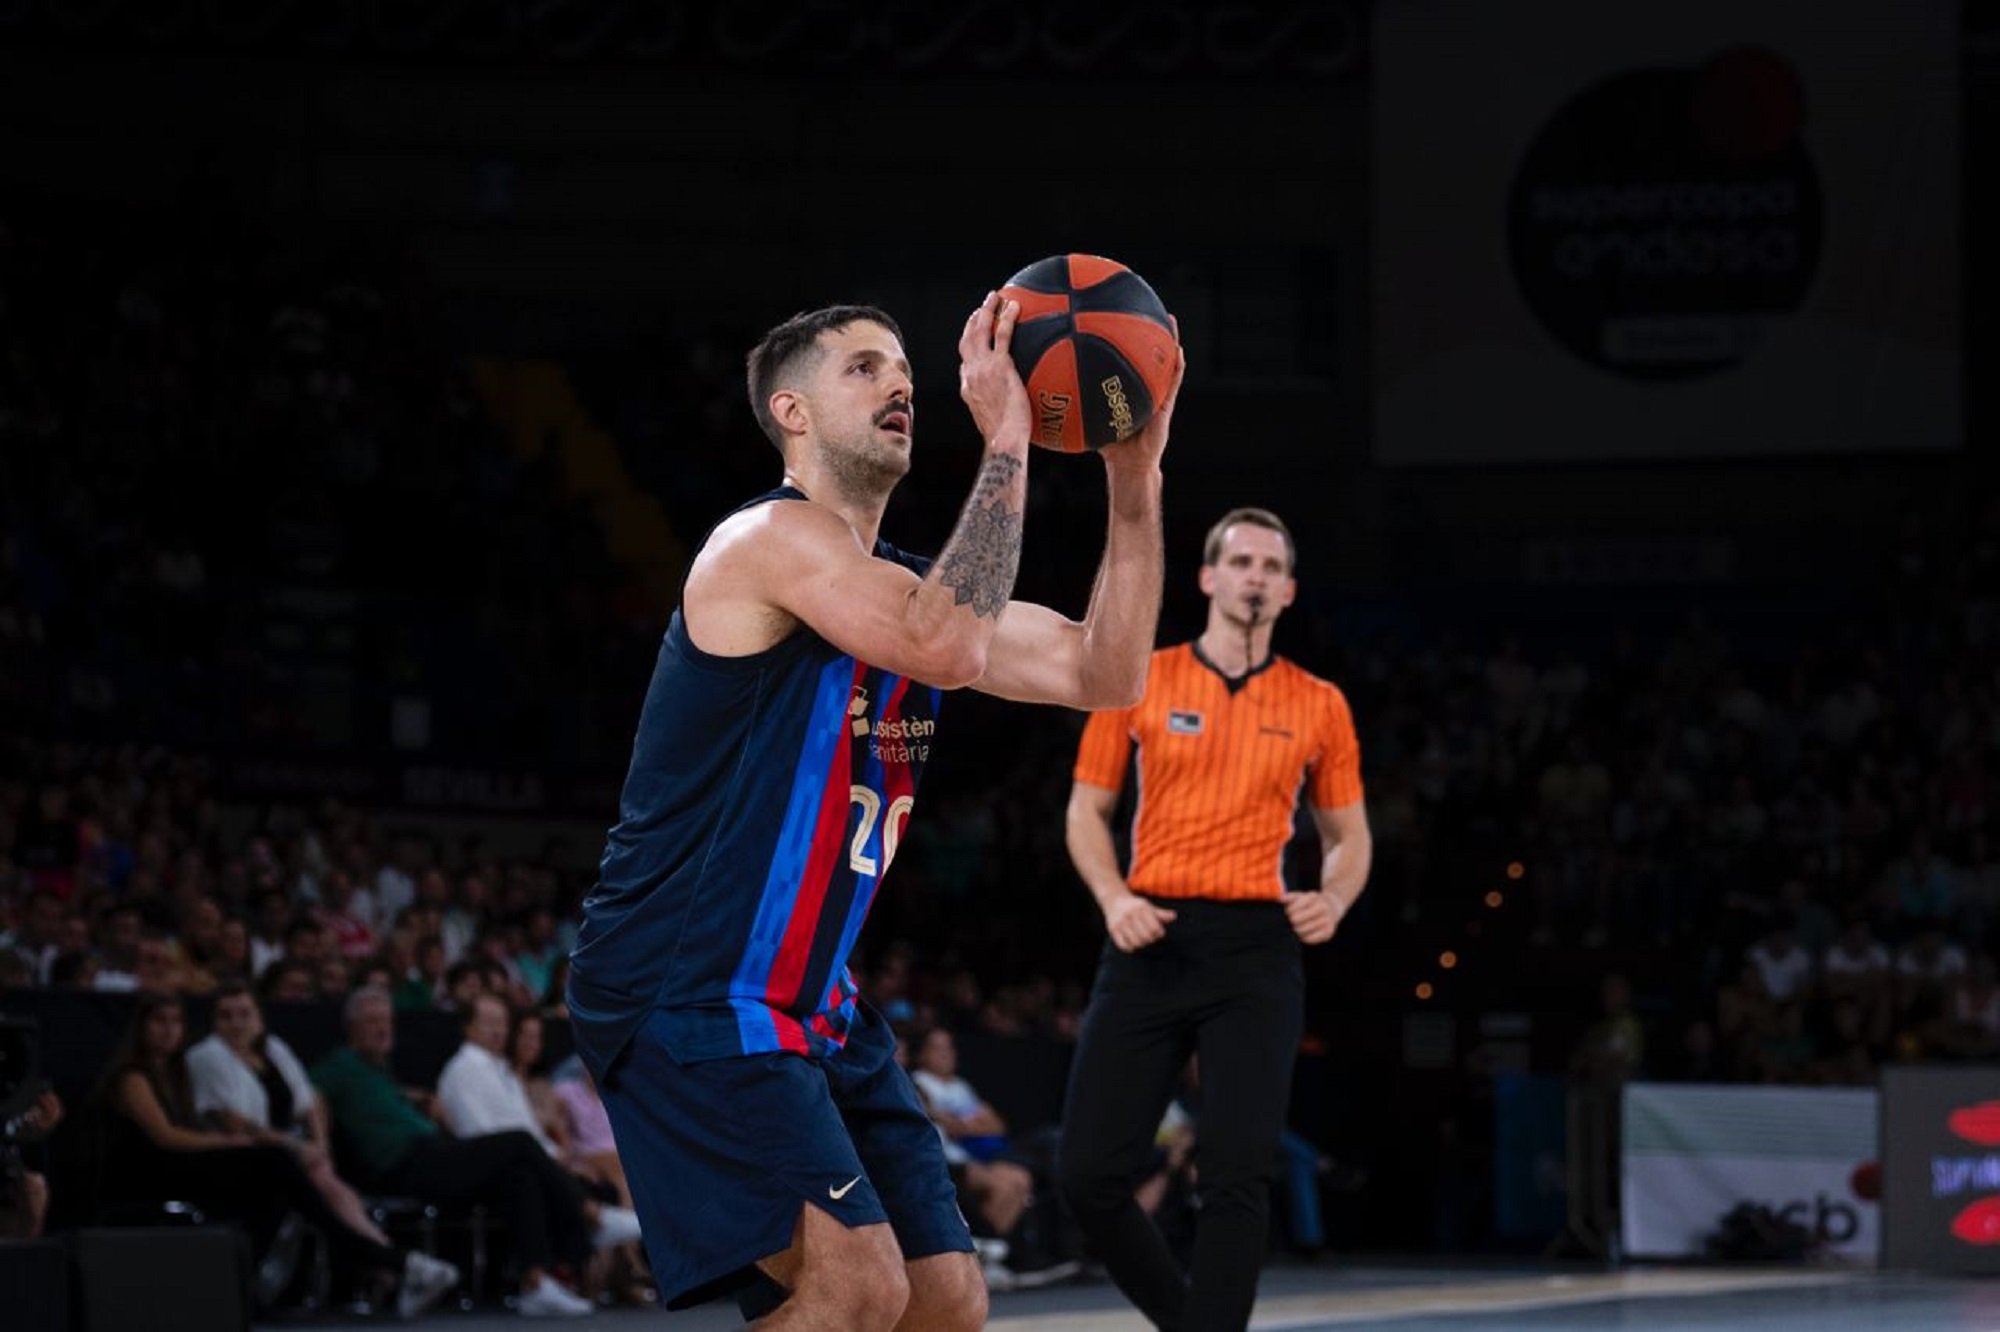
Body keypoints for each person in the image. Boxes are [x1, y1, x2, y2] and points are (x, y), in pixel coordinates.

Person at [568, 295, 1177, 1329]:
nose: (900, 385)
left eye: (902, 369)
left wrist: (1133, 475)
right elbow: (947, 647)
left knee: (944, 1302)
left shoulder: (908, 591)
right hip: (690, 977)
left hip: (810, 996)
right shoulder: (763, 542)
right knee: (857, 1287)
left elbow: (1106, 670)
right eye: (862, 368)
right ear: (790, 410)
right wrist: (1010, 444)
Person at [1058, 507, 1372, 1332]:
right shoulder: (1138, 678)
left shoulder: (1320, 704)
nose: (1255, 577)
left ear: (1290, 589)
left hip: (1257, 950)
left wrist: (1333, 898)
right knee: (1088, 1173)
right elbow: (1087, 812)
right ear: (1207, 577)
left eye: (1272, 566)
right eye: (1241, 562)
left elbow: (1350, 836)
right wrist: (1116, 899)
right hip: (1151, 936)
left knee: (1236, 1176)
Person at [93, 994, 457, 1317]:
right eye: (159, 1022)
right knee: (278, 1163)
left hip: (190, 1161)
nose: (169, 1030)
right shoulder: (133, 1078)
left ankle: (246, 1285)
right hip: (148, 1173)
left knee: (278, 1181)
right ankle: (387, 1260)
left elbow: (306, 1098)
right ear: (140, 1028)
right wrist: (232, 1143)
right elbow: (166, 1137)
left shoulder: (178, 1073)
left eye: (175, 1022)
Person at [313, 986, 635, 1318]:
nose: (383, 1029)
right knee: (519, 1142)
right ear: (351, 1027)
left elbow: (384, 1101)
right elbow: (310, 1098)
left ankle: (534, 1284)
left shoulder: (380, 1072)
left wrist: (417, 1099)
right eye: (372, 1022)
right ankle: (591, 1216)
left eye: (387, 1021)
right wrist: (319, 1141)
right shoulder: (338, 1066)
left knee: (519, 1176)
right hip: (402, 1165)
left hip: (433, 1153)